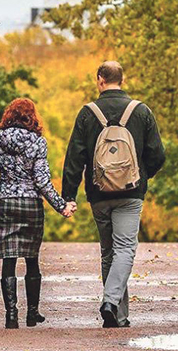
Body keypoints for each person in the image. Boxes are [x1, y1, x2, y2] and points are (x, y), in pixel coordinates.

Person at [62, 61, 165, 328]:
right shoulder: (141, 111)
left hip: (99, 193)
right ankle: (111, 304)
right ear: (123, 79)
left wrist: (68, 195)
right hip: (131, 193)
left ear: (100, 80)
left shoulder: (87, 113)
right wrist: (141, 175)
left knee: (109, 252)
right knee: (126, 249)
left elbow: (75, 157)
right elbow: (158, 154)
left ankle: (118, 317)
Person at [0, 97, 77, 329]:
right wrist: (61, 205)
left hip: (6, 203)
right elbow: (42, 180)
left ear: (8, 116)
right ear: (31, 117)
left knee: (9, 259)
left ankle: (11, 315)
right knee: (32, 258)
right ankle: (32, 313)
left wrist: (1, 193)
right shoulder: (37, 142)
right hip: (31, 205)